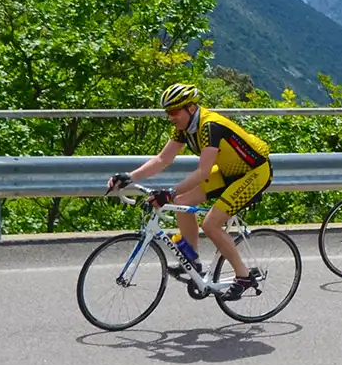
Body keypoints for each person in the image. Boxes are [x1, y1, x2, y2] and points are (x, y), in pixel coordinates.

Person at [106, 82, 272, 298]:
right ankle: (192, 261)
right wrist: (129, 176)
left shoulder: (209, 127)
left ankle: (243, 276)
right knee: (182, 203)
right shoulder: (184, 128)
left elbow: (203, 172)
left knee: (211, 224)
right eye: (168, 113)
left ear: (191, 108)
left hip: (254, 172)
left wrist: (170, 192)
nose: (171, 117)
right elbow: (163, 159)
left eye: (174, 111)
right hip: (227, 170)